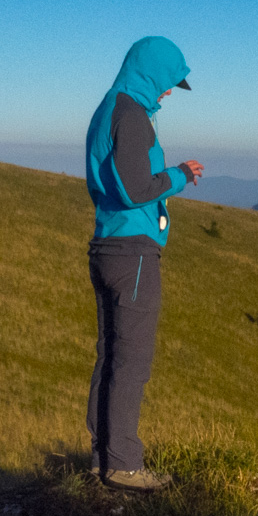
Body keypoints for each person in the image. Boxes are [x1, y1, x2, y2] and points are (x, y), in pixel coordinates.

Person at [83, 36, 204, 492]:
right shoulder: (131, 115)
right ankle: (124, 466)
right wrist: (180, 176)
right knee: (132, 361)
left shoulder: (110, 108)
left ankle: (103, 457)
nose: (170, 92)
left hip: (108, 245)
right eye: (169, 82)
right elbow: (136, 189)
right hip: (132, 253)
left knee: (110, 356)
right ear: (151, 72)